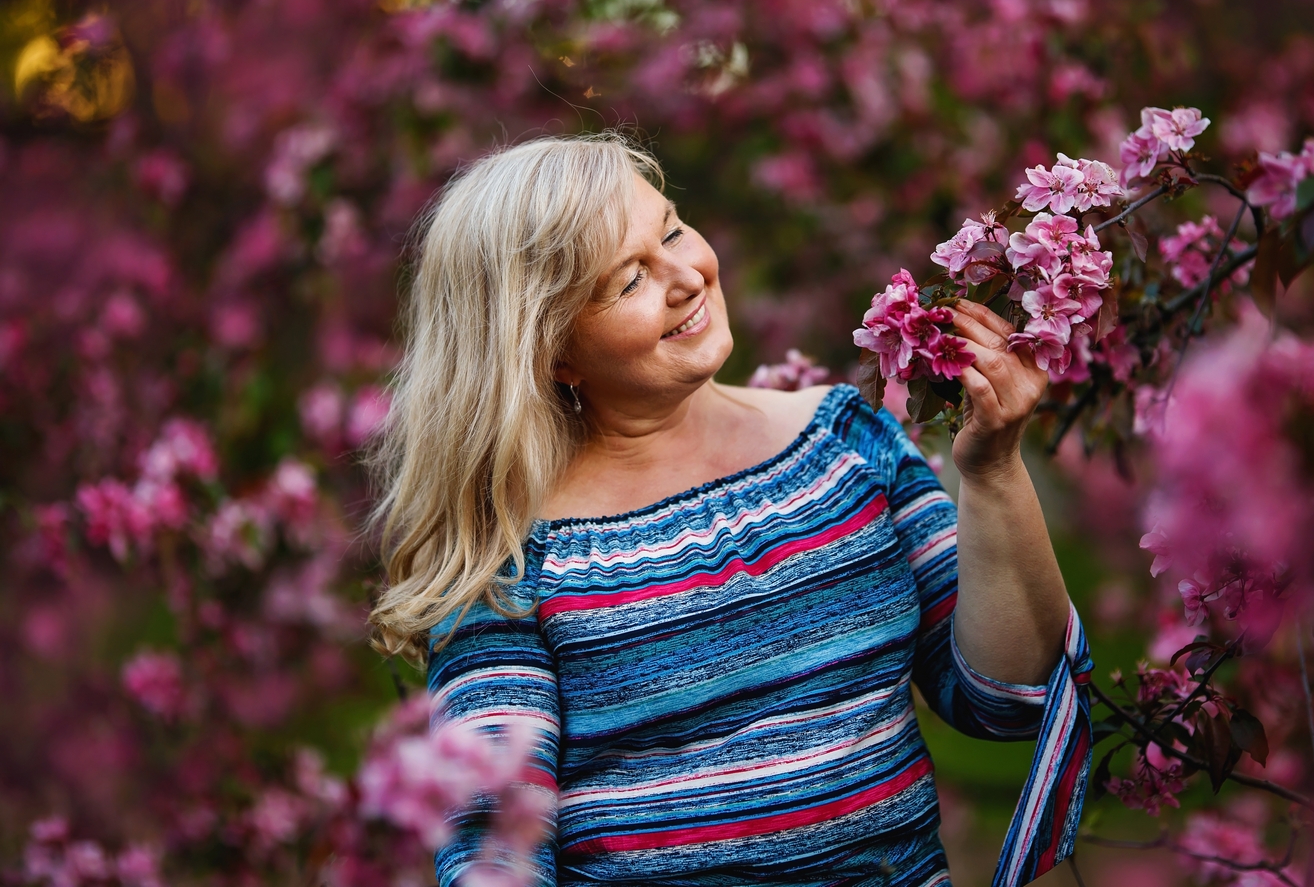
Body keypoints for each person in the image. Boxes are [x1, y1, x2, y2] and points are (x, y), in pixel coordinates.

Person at [367, 134, 1093, 887]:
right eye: (629, 280)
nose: (687, 277)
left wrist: (996, 471)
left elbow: (1006, 701)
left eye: (672, 230)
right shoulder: (518, 560)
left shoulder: (844, 444)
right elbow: (496, 852)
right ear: (551, 352)